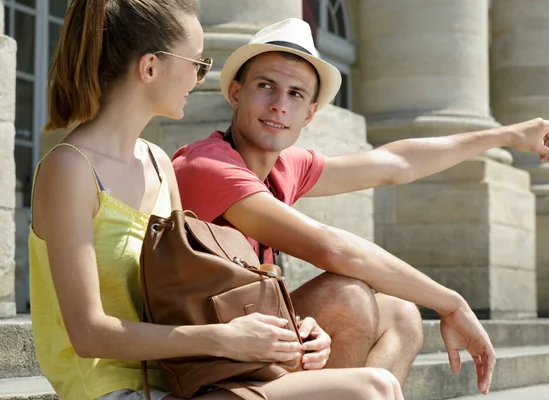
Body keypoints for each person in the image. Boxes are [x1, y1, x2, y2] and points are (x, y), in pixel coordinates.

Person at [173, 17, 549, 396]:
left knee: (401, 314)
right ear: (235, 92)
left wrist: (506, 136)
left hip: (255, 338)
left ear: (310, 113)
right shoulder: (206, 164)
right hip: (202, 364)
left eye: (296, 94)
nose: (280, 104)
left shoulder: (285, 166)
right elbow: (331, 249)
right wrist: (451, 301)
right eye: (266, 86)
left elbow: (396, 163)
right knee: (346, 294)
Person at [30, 2, 403, 400]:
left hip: (188, 379)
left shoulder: (158, 164)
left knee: (378, 368)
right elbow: (88, 334)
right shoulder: (70, 169)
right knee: (370, 387)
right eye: (195, 62)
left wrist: (289, 332)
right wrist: (223, 339)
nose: (199, 76)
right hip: (114, 391)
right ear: (151, 67)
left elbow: (185, 296)